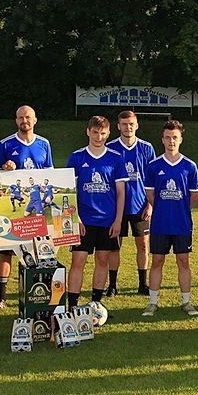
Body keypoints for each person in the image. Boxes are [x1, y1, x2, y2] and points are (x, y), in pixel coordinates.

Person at [0, 104, 54, 312]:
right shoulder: (6, 144)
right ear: (16, 120)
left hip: (36, 206)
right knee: (7, 250)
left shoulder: (44, 144)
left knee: (36, 249)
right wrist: (3, 169)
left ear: (35, 120)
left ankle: (33, 291)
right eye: (20, 118)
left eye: (28, 117)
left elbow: (50, 175)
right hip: (14, 208)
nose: (24, 121)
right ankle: (1, 297)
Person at [65, 116, 127, 308]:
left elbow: (121, 193)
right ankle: (72, 305)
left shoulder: (116, 158)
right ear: (88, 132)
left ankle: (95, 305)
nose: (98, 137)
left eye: (102, 133)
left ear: (108, 134)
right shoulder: (77, 157)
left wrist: (118, 221)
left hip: (107, 221)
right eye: (95, 132)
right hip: (84, 221)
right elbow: (69, 191)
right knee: (78, 261)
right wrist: (76, 218)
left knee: (102, 260)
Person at [141, 120, 198, 317]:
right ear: (162, 139)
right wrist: (164, 209)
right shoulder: (153, 166)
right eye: (167, 137)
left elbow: (194, 196)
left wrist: (180, 209)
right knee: (157, 261)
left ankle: (186, 301)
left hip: (182, 224)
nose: (171, 141)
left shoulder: (189, 166)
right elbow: (150, 195)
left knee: (183, 261)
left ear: (181, 139)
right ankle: (152, 302)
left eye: (175, 137)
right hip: (160, 223)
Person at [106, 111, 156, 298]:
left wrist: (150, 205)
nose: (128, 127)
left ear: (137, 125)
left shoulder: (146, 148)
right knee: (113, 247)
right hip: (115, 208)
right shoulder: (110, 148)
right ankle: (112, 285)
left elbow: (152, 179)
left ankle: (142, 284)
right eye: (124, 124)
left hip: (140, 206)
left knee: (143, 245)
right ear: (118, 126)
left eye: (131, 124)